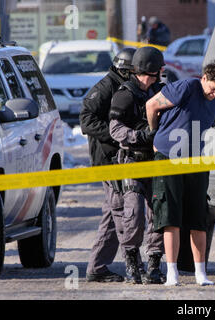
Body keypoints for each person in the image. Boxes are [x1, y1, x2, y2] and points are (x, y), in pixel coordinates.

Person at [146, 60, 215, 286]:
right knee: (170, 217)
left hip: (196, 162)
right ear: (204, 78)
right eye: (213, 88)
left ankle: (200, 274)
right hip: (168, 158)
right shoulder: (186, 87)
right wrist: (155, 136)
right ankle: (172, 273)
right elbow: (151, 105)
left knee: (198, 218)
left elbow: (208, 124)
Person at [108, 46, 166, 284]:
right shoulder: (125, 94)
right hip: (132, 160)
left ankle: (154, 264)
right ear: (149, 71)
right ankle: (132, 263)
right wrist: (140, 137)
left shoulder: (158, 91)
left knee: (158, 214)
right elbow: (115, 130)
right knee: (133, 214)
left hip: (155, 161)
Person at [81, 48, 135, 283]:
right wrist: (116, 136)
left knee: (112, 214)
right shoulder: (105, 87)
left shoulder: (122, 86)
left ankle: (98, 266)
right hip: (108, 159)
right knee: (119, 210)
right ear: (125, 70)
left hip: (117, 158)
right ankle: (128, 265)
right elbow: (86, 120)